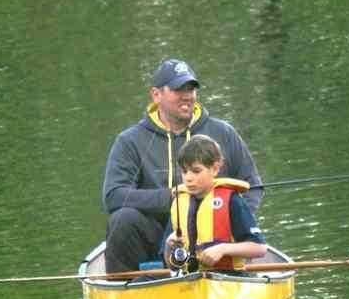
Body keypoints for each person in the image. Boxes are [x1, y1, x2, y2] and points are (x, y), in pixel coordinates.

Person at [102, 58, 263, 272]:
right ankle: (126, 290)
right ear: (156, 95)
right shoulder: (129, 141)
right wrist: (172, 195)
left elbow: (253, 186)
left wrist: (232, 221)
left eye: (191, 88)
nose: (187, 95)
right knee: (122, 219)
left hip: (213, 237)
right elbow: (113, 196)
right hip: (154, 237)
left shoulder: (224, 132)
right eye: (178, 89)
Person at [161, 135, 267, 273]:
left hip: (229, 280)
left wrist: (223, 249)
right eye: (184, 171)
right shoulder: (179, 204)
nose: (188, 178)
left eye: (196, 171)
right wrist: (169, 246)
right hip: (190, 281)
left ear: (215, 169)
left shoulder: (231, 201)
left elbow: (259, 248)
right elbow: (172, 265)